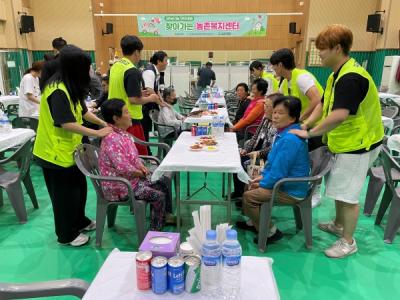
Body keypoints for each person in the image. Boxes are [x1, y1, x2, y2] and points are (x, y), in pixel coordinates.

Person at [290, 24, 384, 258]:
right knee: (340, 188)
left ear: (338, 48)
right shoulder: (336, 74)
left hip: (359, 145)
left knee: (348, 194)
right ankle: (338, 224)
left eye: (323, 49)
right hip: (345, 142)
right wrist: (306, 124)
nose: (319, 53)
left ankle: (348, 242)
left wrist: (310, 134)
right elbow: (323, 104)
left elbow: (340, 114)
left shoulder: (351, 78)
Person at [33, 45, 112, 247]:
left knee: (79, 188)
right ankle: (66, 234)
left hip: (71, 151)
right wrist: (96, 133)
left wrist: (104, 123)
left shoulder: (70, 87)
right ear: (74, 68)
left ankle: (79, 221)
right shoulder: (57, 90)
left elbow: (83, 112)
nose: (89, 71)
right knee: (63, 197)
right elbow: (66, 123)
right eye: (86, 67)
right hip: (54, 154)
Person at [236, 96, 310, 245]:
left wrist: (264, 183)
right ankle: (255, 222)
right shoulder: (283, 133)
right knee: (249, 183)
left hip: (290, 189)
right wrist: (262, 176)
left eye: (280, 113)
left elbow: (279, 171)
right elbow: (273, 164)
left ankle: (271, 231)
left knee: (249, 197)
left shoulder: (290, 139)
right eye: (274, 112)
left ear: (292, 118)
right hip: (282, 182)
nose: (275, 116)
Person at [99, 99, 174, 230]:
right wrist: (141, 173)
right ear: (116, 118)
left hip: (130, 180)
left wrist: (141, 166)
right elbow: (123, 168)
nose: (130, 115)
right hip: (120, 186)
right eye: (126, 112)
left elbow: (133, 157)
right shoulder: (112, 139)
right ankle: (154, 231)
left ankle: (163, 217)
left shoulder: (122, 134)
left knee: (163, 182)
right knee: (158, 196)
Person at [108, 35, 163, 155]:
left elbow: (122, 89)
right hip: (129, 119)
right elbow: (133, 99)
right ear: (137, 52)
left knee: (121, 154)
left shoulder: (116, 66)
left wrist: (139, 93)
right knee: (137, 155)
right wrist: (150, 98)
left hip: (115, 118)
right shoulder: (132, 70)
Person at [232, 93, 281, 200]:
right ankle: (239, 192)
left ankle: (246, 194)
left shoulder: (278, 124)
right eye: (265, 105)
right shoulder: (265, 118)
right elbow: (256, 137)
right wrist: (246, 149)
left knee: (242, 162)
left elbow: (274, 148)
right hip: (257, 151)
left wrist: (258, 153)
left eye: (267, 106)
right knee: (236, 158)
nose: (264, 108)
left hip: (266, 157)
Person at [270, 48, 323, 126]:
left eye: (273, 65)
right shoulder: (285, 81)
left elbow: (317, 99)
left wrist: (299, 119)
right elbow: (277, 95)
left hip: (316, 125)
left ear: (280, 65)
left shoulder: (301, 78)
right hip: (303, 124)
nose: (272, 68)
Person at [142, 51, 169, 149]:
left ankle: (148, 152)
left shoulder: (156, 72)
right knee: (144, 132)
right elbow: (149, 90)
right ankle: (146, 154)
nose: (167, 63)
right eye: (166, 60)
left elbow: (156, 90)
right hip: (144, 106)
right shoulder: (149, 72)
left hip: (150, 105)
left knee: (147, 131)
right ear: (159, 61)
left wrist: (163, 102)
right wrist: (160, 103)